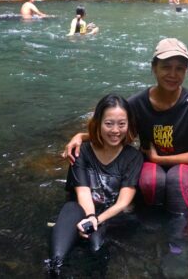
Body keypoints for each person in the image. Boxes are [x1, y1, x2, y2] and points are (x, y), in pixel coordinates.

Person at [63, 38, 188, 257]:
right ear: (154, 68)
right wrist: (81, 136)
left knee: (175, 179)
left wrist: (159, 159)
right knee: (150, 181)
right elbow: (118, 133)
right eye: (166, 67)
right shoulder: (137, 103)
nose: (172, 74)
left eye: (179, 69)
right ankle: (152, 229)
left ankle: (177, 240)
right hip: (152, 165)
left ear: (186, 71)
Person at [48, 94, 143, 276]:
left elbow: (123, 202)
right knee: (69, 210)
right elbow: (82, 191)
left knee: (96, 246)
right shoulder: (82, 151)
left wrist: (96, 221)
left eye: (121, 124)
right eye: (109, 123)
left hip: (112, 215)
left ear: (128, 125)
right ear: (98, 123)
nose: (115, 130)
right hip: (83, 210)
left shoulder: (133, 158)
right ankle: (54, 269)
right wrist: (90, 216)